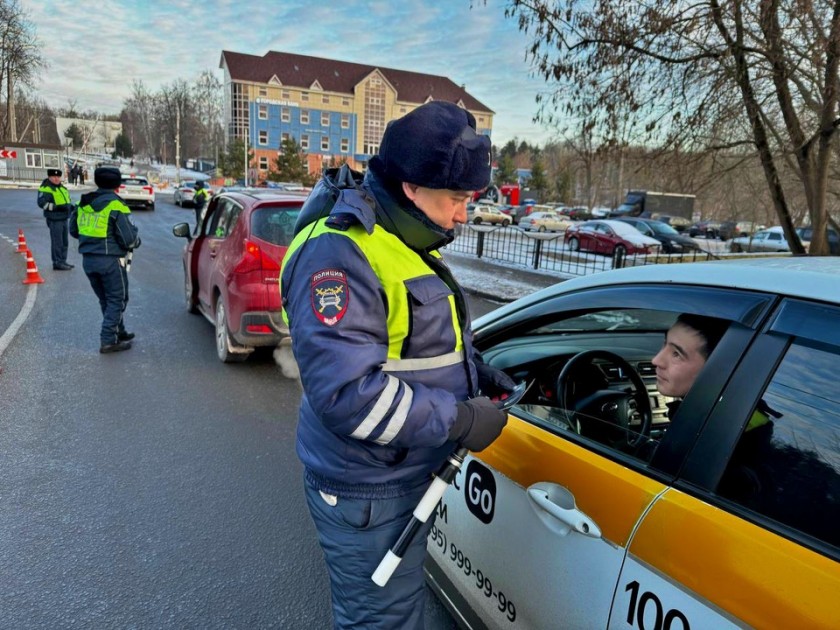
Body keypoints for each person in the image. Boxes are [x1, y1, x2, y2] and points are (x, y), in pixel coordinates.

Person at [279, 101, 513, 628]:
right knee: (382, 621)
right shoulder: (340, 253)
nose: (463, 215)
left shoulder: (396, 236)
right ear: (411, 187)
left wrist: (476, 373)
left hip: (396, 479)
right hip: (368, 491)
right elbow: (347, 396)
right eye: (455, 198)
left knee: (396, 612)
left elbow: (408, 343)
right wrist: (460, 419)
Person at [69, 167, 141, 354]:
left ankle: (119, 331)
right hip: (110, 260)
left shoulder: (83, 203)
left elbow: (73, 230)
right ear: (117, 184)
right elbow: (128, 238)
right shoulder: (116, 205)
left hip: (88, 260)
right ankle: (108, 340)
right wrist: (135, 240)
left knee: (105, 299)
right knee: (118, 299)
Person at [37, 168, 75, 270]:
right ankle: (57, 262)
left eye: (58, 177)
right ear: (49, 177)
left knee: (64, 242)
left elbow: (66, 202)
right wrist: (55, 207)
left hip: (64, 218)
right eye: (54, 177)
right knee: (57, 242)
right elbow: (42, 204)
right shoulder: (46, 188)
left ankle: (63, 261)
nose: (56, 179)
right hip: (54, 219)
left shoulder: (62, 188)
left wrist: (71, 207)